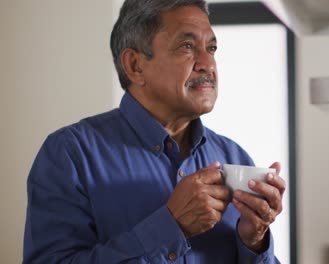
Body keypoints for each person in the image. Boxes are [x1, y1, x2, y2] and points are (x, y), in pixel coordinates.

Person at [22, 0, 286, 263]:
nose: (208, 64)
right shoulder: (70, 155)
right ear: (135, 65)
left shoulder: (235, 156)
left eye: (212, 48)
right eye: (187, 46)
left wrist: (254, 241)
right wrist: (172, 226)